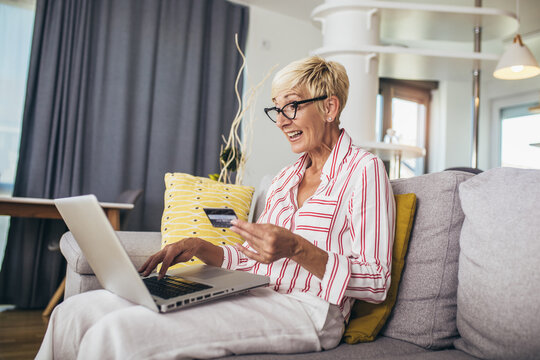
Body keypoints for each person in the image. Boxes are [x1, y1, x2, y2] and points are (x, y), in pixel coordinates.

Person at [36, 56, 395, 359]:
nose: (282, 120)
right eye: (277, 109)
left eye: (292, 106)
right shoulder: (286, 178)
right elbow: (256, 259)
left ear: (329, 107)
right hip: (259, 290)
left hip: (311, 310)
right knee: (78, 310)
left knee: (118, 330)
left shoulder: (364, 171)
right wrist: (204, 249)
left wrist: (297, 248)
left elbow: (377, 281)